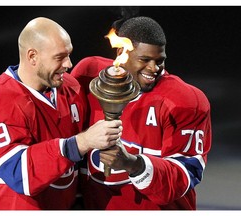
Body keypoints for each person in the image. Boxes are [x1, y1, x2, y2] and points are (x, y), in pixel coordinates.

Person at [0, 17, 122, 210]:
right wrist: (82, 142)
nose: (69, 64)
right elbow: (19, 174)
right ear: (32, 57)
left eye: (69, 55)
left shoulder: (70, 88)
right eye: (59, 57)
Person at [71, 16, 212, 210]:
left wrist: (132, 163)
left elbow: (184, 176)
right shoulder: (89, 76)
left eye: (159, 60)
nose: (154, 68)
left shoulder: (185, 100)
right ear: (122, 52)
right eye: (145, 60)